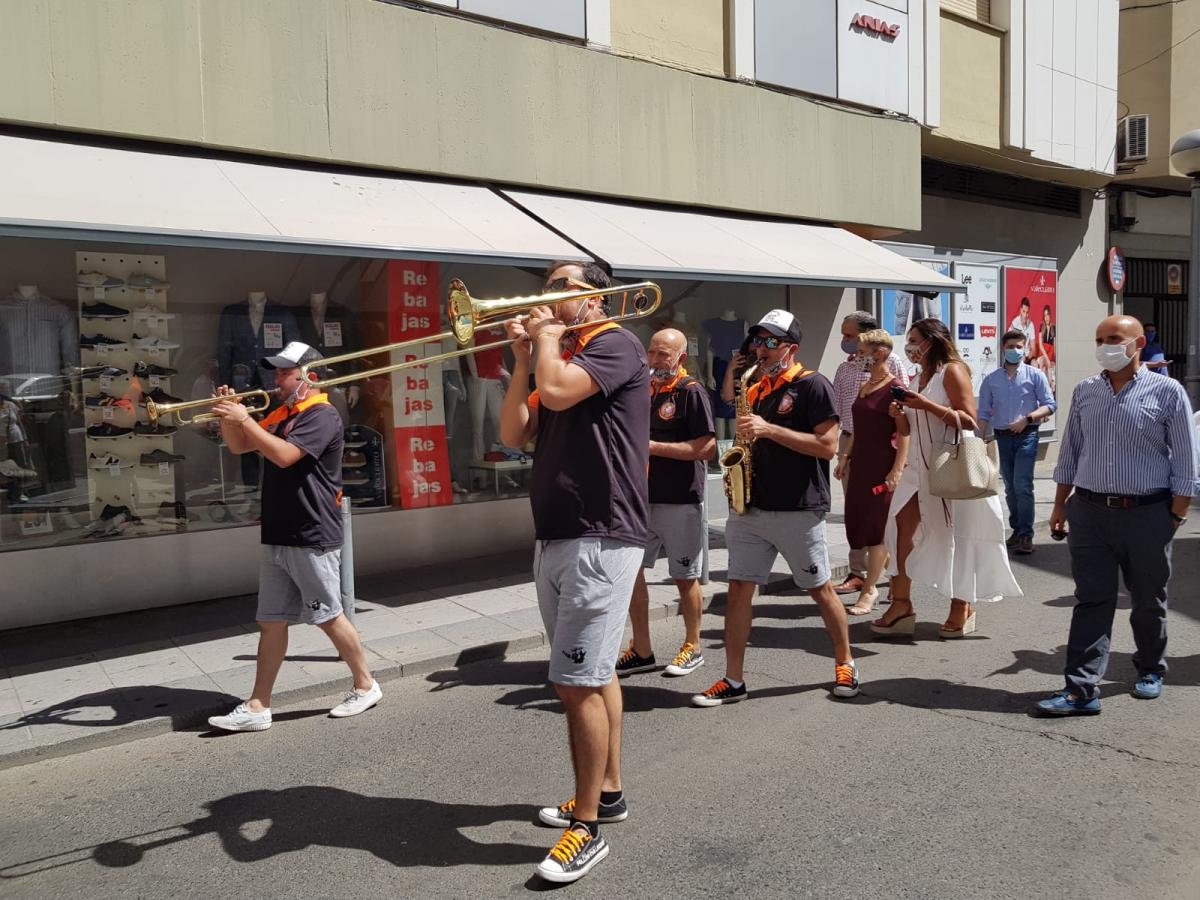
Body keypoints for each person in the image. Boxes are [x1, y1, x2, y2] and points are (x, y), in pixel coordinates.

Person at [499, 261, 649, 884]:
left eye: (564, 286)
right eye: (550, 285)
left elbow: (561, 392)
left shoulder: (616, 342)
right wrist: (520, 361)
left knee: (575, 682)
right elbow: (515, 431)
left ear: (598, 294)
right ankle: (606, 793)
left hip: (601, 529)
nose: (550, 296)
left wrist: (544, 342)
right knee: (595, 672)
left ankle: (583, 828)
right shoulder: (558, 352)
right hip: (559, 530)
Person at [207, 342, 381, 733]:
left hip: (311, 530)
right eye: (278, 372)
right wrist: (228, 415)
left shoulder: (322, 415)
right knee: (270, 621)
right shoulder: (284, 413)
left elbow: (286, 456)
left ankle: (366, 684)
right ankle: (258, 705)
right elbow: (240, 445)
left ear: (310, 377)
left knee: (328, 616)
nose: (276, 379)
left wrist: (244, 418)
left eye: (285, 372)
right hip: (281, 530)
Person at [692, 309, 861, 707]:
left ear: (791, 348)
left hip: (797, 507)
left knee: (819, 590)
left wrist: (770, 430)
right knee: (737, 591)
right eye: (758, 341)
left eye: (770, 342)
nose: (761, 349)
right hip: (751, 508)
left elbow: (828, 445)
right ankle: (734, 679)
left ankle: (846, 662)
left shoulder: (812, 385)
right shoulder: (755, 386)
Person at [1036, 315, 1198, 716]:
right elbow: (1070, 452)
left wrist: (1175, 516)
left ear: (1137, 343)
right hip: (1089, 512)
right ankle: (1081, 689)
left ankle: (1150, 668)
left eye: (1113, 338)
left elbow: (1185, 461)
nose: (1104, 345)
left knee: (1148, 599)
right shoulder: (1087, 391)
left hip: (1147, 513)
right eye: (1099, 339)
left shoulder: (1167, 392)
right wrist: (1060, 504)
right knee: (1091, 600)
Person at [873, 318, 1022, 640]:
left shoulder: (952, 370)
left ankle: (962, 605)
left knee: (959, 537)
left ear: (931, 340)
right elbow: (910, 430)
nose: (909, 346)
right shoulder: (917, 378)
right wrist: (899, 417)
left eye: (914, 339)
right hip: (918, 470)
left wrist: (926, 405)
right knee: (899, 531)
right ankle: (901, 604)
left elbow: (970, 420)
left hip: (950, 468)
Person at [616, 328, 715, 679]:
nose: (655, 360)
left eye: (664, 355)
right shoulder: (644, 389)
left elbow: (706, 448)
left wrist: (653, 447)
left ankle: (694, 646)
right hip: (640, 500)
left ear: (681, 359)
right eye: (652, 352)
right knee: (631, 573)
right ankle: (642, 648)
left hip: (679, 500)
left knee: (684, 577)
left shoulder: (691, 392)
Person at [831, 311, 909, 599]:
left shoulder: (894, 366)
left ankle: (876, 573)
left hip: (881, 447)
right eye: (844, 335)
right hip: (851, 442)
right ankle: (857, 572)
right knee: (854, 510)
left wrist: (899, 464)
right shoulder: (845, 369)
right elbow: (839, 410)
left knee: (878, 514)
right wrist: (842, 454)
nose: (845, 341)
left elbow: (903, 411)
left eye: (850, 336)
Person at [977, 330, 1056, 555]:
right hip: (1002, 437)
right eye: (1011, 346)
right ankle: (1016, 529)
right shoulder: (992, 380)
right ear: (1003, 348)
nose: (1015, 350)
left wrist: (1027, 419)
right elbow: (983, 413)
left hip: (1027, 434)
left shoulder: (1035, 375)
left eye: (1019, 346)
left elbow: (1050, 404)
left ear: (1026, 347)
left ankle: (1026, 534)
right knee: (1010, 488)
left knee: (1022, 485)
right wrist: (978, 440)